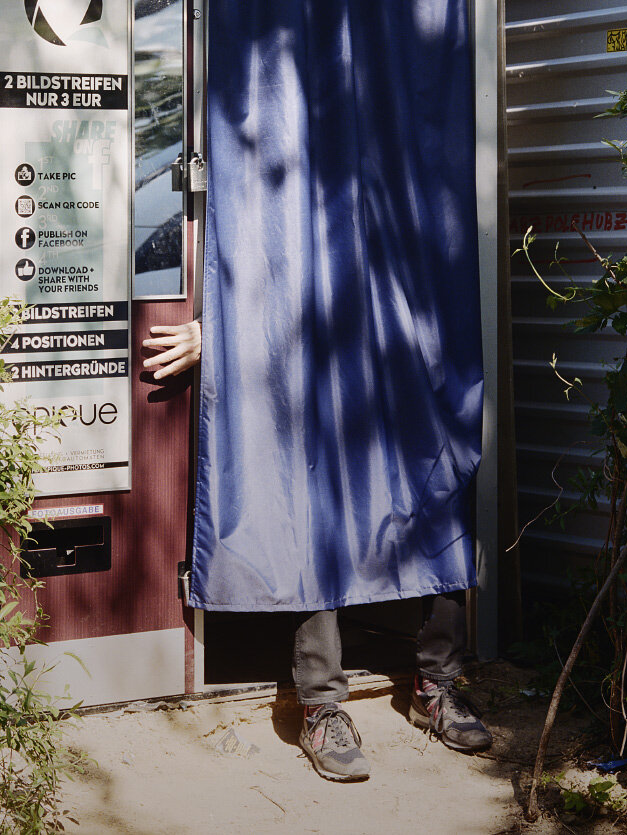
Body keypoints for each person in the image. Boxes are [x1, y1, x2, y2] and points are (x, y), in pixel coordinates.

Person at [142, 321, 492, 783]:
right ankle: (320, 706)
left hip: (399, 361)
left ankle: (435, 684)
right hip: (313, 370)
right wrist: (228, 324)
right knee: (315, 507)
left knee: (437, 484)